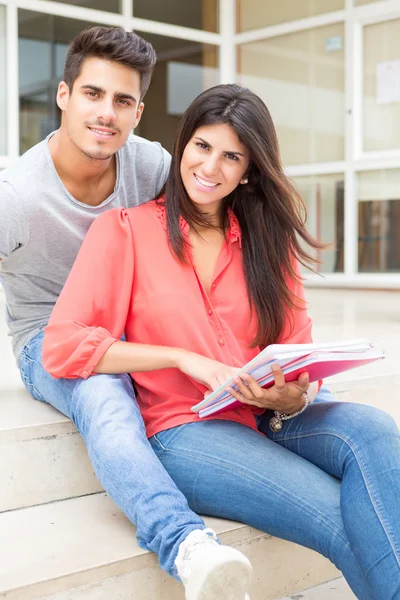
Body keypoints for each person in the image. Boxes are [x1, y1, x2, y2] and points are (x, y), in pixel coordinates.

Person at [43, 82, 400, 600]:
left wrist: (290, 394)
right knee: (337, 512)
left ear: (249, 169)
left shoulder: (266, 246)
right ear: (183, 146)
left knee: (375, 429)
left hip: (265, 416)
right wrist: (181, 359)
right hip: (184, 430)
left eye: (231, 156)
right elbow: (62, 344)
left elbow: (298, 355)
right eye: (202, 147)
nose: (211, 168)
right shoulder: (124, 232)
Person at [0, 27, 252, 600]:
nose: (105, 114)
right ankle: (184, 542)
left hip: (135, 325)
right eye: (92, 94)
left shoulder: (150, 165)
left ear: (138, 110)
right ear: (63, 95)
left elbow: (207, 227)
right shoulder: (16, 194)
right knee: (103, 391)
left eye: (121, 101)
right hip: (52, 336)